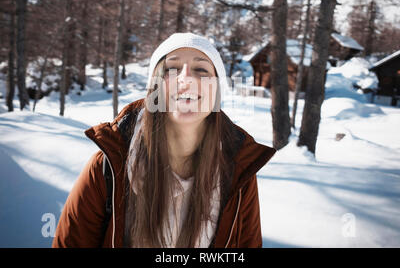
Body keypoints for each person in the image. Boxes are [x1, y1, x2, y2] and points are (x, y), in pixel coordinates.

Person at [52, 32, 276, 248]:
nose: (186, 78)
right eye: (171, 69)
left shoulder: (238, 172)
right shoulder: (107, 166)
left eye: (200, 69)